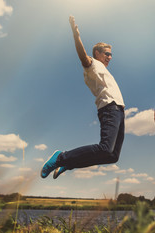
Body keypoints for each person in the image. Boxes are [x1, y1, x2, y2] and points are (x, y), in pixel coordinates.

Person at [41, 15, 125, 179]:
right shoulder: (93, 64)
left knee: (112, 156)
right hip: (109, 108)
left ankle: (68, 163)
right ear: (97, 53)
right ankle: (60, 157)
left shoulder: (103, 69)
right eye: (107, 53)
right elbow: (82, 56)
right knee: (105, 148)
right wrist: (76, 34)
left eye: (111, 54)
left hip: (120, 111)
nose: (110, 57)